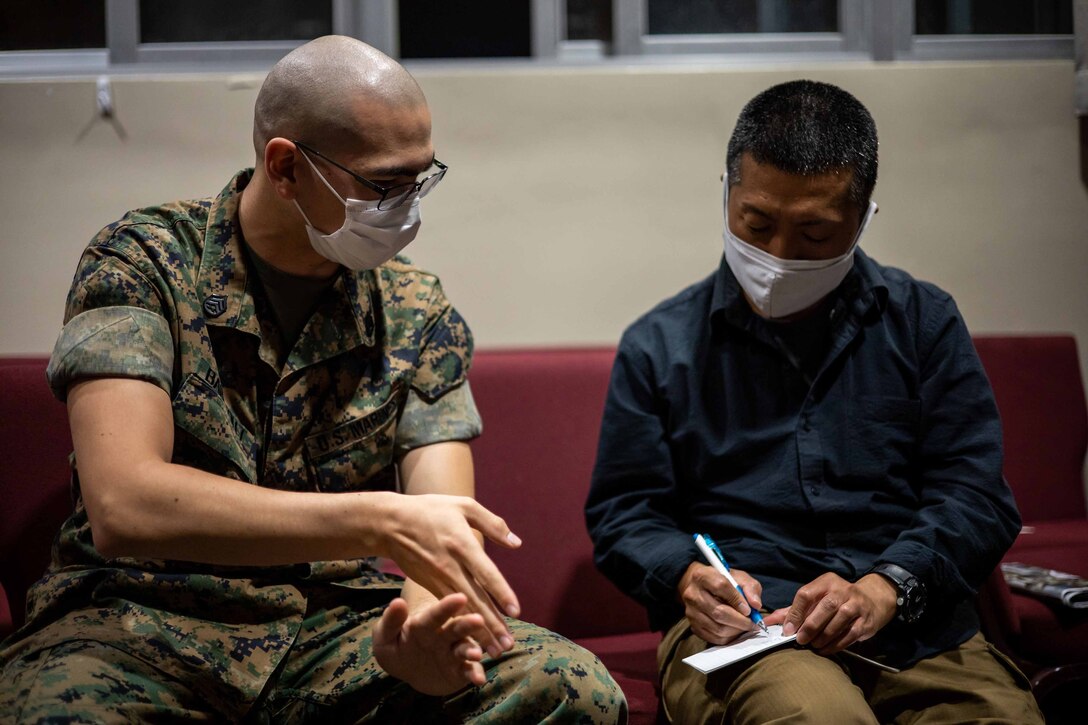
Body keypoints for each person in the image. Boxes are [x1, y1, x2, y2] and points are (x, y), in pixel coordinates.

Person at [0, 35, 626, 723]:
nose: (408, 207)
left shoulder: (415, 310)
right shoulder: (143, 262)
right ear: (286, 166)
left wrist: (426, 634)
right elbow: (125, 504)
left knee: (570, 688)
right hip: (137, 627)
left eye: (423, 178)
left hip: (331, 632)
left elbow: (440, 523)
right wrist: (378, 520)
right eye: (385, 185)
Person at [585, 79, 1043, 723]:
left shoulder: (921, 322)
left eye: (815, 234)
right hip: (747, 637)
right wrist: (690, 579)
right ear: (726, 195)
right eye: (757, 223)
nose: (778, 256)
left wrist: (885, 587)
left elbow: (975, 496)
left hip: (916, 632)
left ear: (863, 219)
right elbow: (625, 512)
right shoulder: (660, 345)